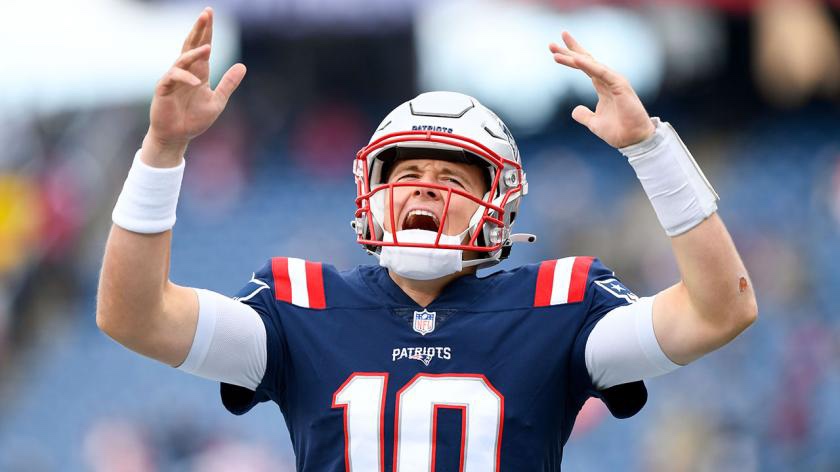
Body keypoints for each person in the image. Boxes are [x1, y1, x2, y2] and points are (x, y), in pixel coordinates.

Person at [96, 7, 758, 471]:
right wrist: (162, 149)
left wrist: (650, 149)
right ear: (371, 192)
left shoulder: (559, 306)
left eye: (450, 177)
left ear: (498, 203)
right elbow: (133, 316)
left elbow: (720, 310)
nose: (423, 190)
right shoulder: (300, 307)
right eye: (407, 174)